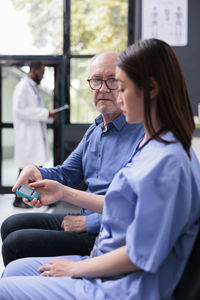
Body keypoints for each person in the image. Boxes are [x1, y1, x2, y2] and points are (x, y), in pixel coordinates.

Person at [1, 38, 200, 300]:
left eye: (120, 85)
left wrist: (77, 266)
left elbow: (142, 253)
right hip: (104, 257)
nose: (112, 93)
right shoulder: (144, 143)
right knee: (13, 268)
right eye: (97, 81)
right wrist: (55, 186)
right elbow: (79, 180)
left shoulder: (166, 160)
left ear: (150, 88)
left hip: (118, 284)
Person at [1, 51, 144, 266]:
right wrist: (36, 171)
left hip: (108, 231)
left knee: (17, 242)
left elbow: (139, 207)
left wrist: (90, 223)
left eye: (112, 80)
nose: (103, 88)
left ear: (126, 85)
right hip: (85, 216)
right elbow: (66, 173)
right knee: (11, 224)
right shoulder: (95, 129)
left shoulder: (141, 135)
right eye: (96, 80)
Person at [12, 61, 58, 208]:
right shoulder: (23, 87)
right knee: (25, 170)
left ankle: (34, 198)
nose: (43, 76)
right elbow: (20, 110)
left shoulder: (32, 88)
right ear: (34, 70)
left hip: (33, 135)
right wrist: (45, 113)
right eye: (42, 73)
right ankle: (18, 199)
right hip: (27, 136)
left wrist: (45, 113)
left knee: (34, 169)